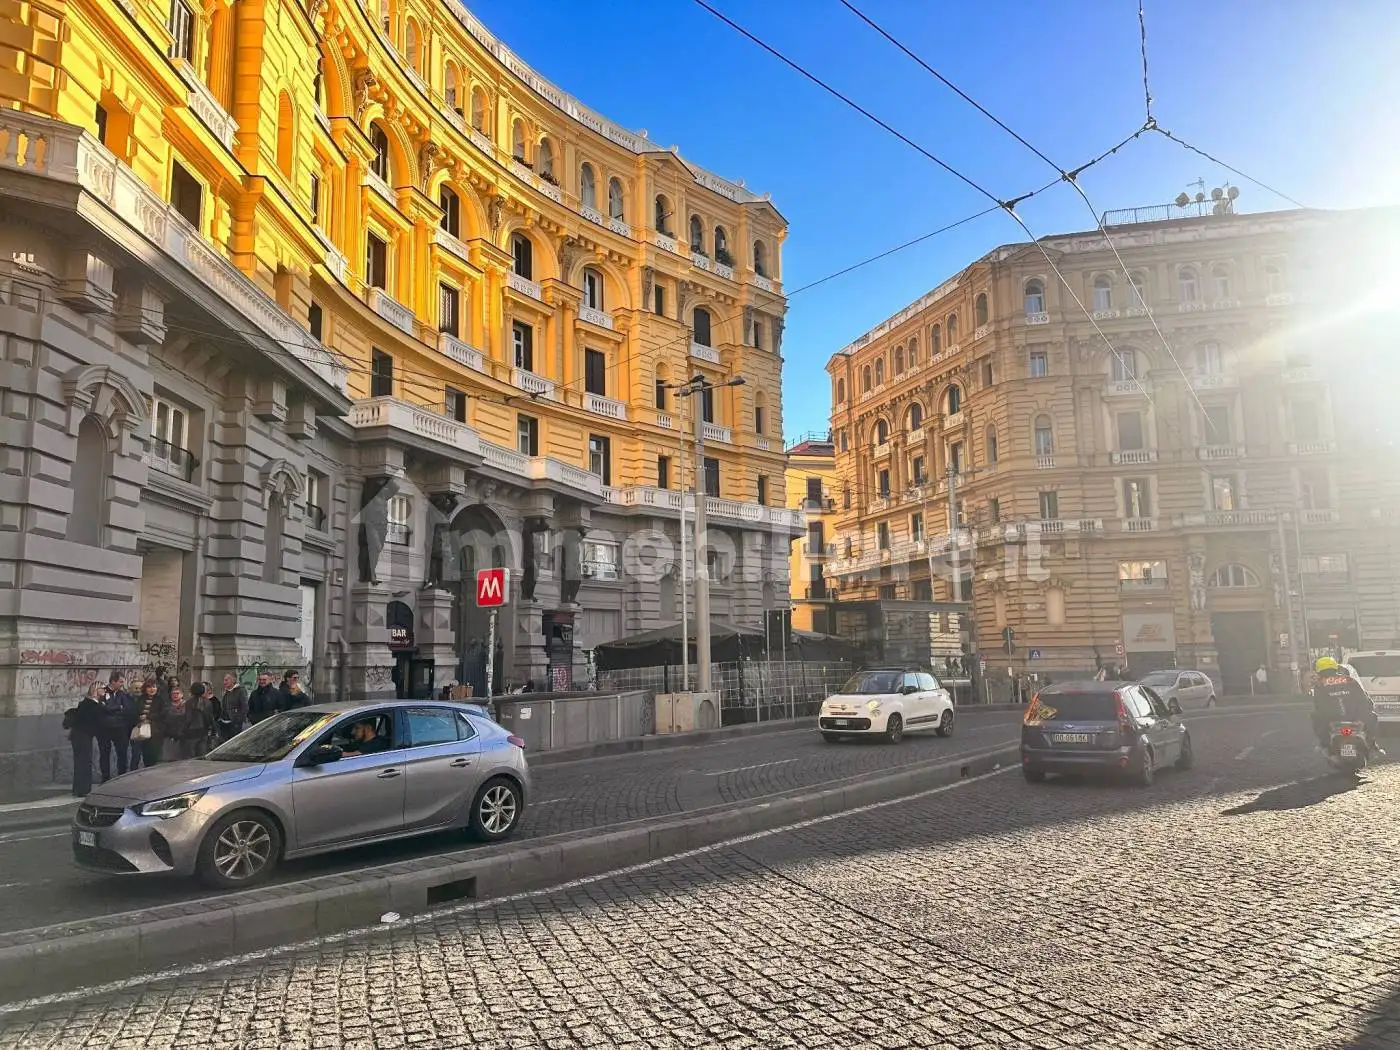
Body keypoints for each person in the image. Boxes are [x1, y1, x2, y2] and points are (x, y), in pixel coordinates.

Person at [1311, 656, 1382, 753]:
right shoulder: (1350, 680)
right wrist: (1369, 707)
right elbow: (1363, 698)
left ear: (1319, 671)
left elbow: (1318, 705)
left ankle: (1324, 744)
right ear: (1335, 667)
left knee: (1315, 716)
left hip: (1332, 719)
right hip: (1355, 717)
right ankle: (1372, 744)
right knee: (1373, 716)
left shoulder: (1320, 685)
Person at [157, 684, 214, 762]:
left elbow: (188, 719)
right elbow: (210, 718)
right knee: (201, 756)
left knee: (189, 758)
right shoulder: (208, 702)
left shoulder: (189, 702)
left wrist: (181, 732)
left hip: (191, 733)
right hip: (203, 732)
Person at [66, 682, 104, 797]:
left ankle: (78, 788)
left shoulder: (87, 703)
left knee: (81, 762)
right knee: (84, 762)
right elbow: (93, 721)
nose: (104, 690)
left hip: (81, 736)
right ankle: (83, 789)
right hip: (83, 736)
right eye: (102, 688)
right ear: (96, 690)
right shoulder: (91, 704)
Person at [96, 672, 135, 782]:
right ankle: (105, 778)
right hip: (105, 728)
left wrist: (112, 709)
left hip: (120, 728)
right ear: (113, 681)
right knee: (104, 753)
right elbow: (103, 708)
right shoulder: (102, 692)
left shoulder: (122, 694)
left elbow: (127, 709)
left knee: (122, 753)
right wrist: (118, 708)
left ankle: (122, 777)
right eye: (120, 682)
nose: (122, 684)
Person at [130, 677, 162, 768]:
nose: (152, 689)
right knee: (136, 755)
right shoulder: (140, 699)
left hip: (154, 731)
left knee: (151, 756)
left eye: (154, 687)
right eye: (149, 687)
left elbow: (163, 714)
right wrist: (139, 718)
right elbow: (134, 712)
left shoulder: (160, 700)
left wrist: (148, 717)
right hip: (140, 730)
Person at [218, 673, 248, 741]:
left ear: (233, 680)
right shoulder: (226, 691)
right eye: (224, 680)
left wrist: (239, 720)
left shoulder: (241, 690)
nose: (224, 682)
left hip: (235, 724)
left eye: (226, 680)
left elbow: (245, 707)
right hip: (224, 722)